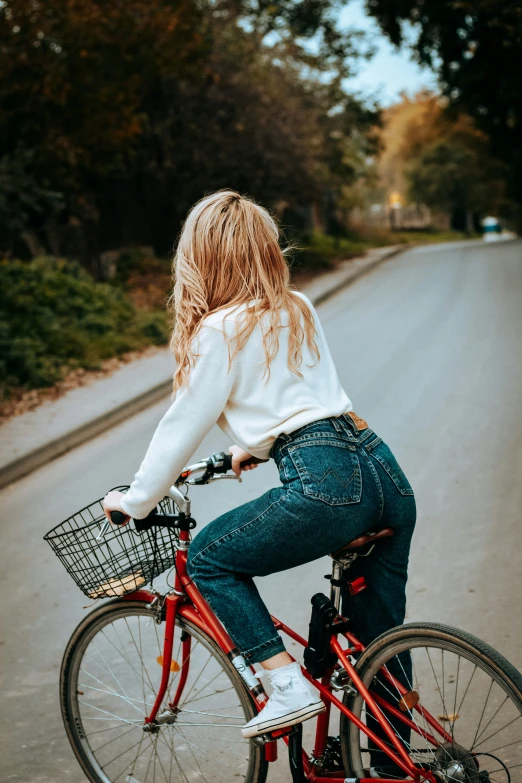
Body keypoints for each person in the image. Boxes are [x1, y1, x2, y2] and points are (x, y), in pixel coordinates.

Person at [102, 189, 416, 745]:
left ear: (199, 259)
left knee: (208, 560)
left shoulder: (218, 330)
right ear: (266, 249)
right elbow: (301, 398)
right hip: (380, 468)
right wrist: (256, 446)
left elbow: (181, 426)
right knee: (380, 638)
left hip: (326, 481)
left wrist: (135, 500)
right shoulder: (296, 306)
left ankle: (284, 683)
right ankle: (398, 763)